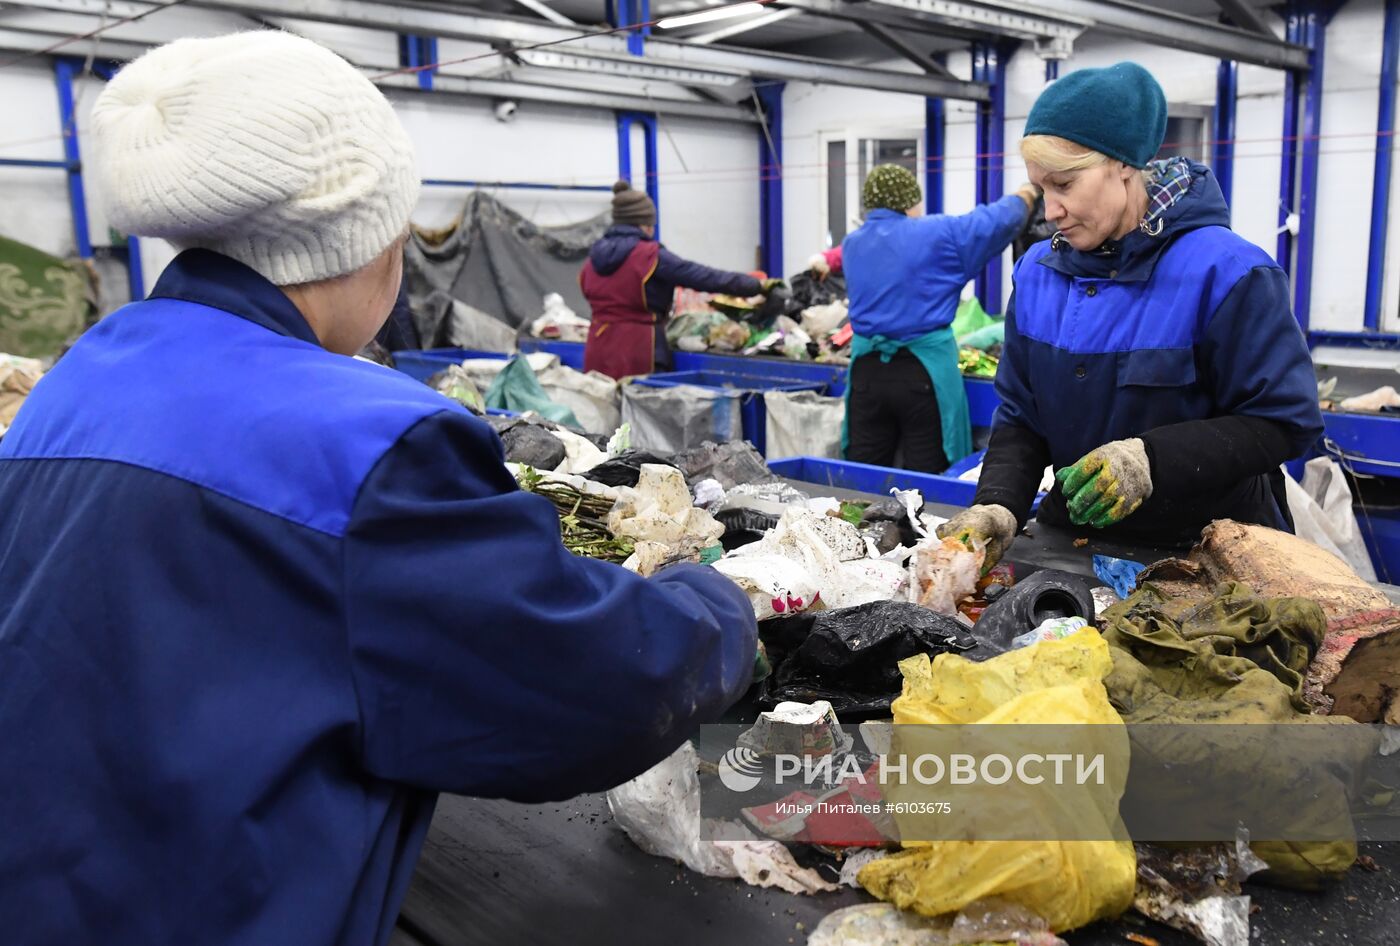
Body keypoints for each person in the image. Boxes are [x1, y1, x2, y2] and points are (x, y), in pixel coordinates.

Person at [0, 32, 757, 946]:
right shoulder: (368, 442)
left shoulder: (83, 376)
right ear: (370, 240)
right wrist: (716, 599)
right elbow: (599, 688)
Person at [938, 62, 1324, 566]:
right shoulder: (1038, 273)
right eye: (1041, 188)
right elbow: (1021, 417)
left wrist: (1151, 459)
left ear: (1123, 165)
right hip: (1078, 542)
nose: (1050, 210)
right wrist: (998, 505)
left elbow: (1283, 422)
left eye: (1065, 185)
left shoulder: (1228, 272)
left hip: (1208, 553)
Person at [841, 164, 1038, 473]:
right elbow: (996, 222)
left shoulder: (852, 243)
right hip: (921, 376)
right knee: (928, 481)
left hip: (866, 374)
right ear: (909, 202)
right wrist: (1026, 194)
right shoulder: (937, 234)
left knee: (865, 477)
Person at [580, 181, 779, 379]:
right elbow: (704, 277)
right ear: (645, 225)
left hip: (598, 346)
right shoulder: (649, 256)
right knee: (643, 408)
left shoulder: (591, 259)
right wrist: (757, 286)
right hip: (638, 350)